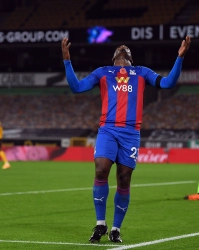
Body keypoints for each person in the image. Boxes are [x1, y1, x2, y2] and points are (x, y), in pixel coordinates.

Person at [61, 36, 191, 243]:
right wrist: (67, 60)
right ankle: (100, 224)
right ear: (114, 57)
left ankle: (115, 229)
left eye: (126, 48)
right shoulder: (103, 72)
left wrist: (180, 58)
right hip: (108, 130)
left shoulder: (141, 72)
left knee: (124, 178)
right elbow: (76, 87)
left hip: (131, 133)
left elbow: (167, 83)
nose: (122, 47)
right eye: (119, 47)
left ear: (130, 58)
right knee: (101, 169)